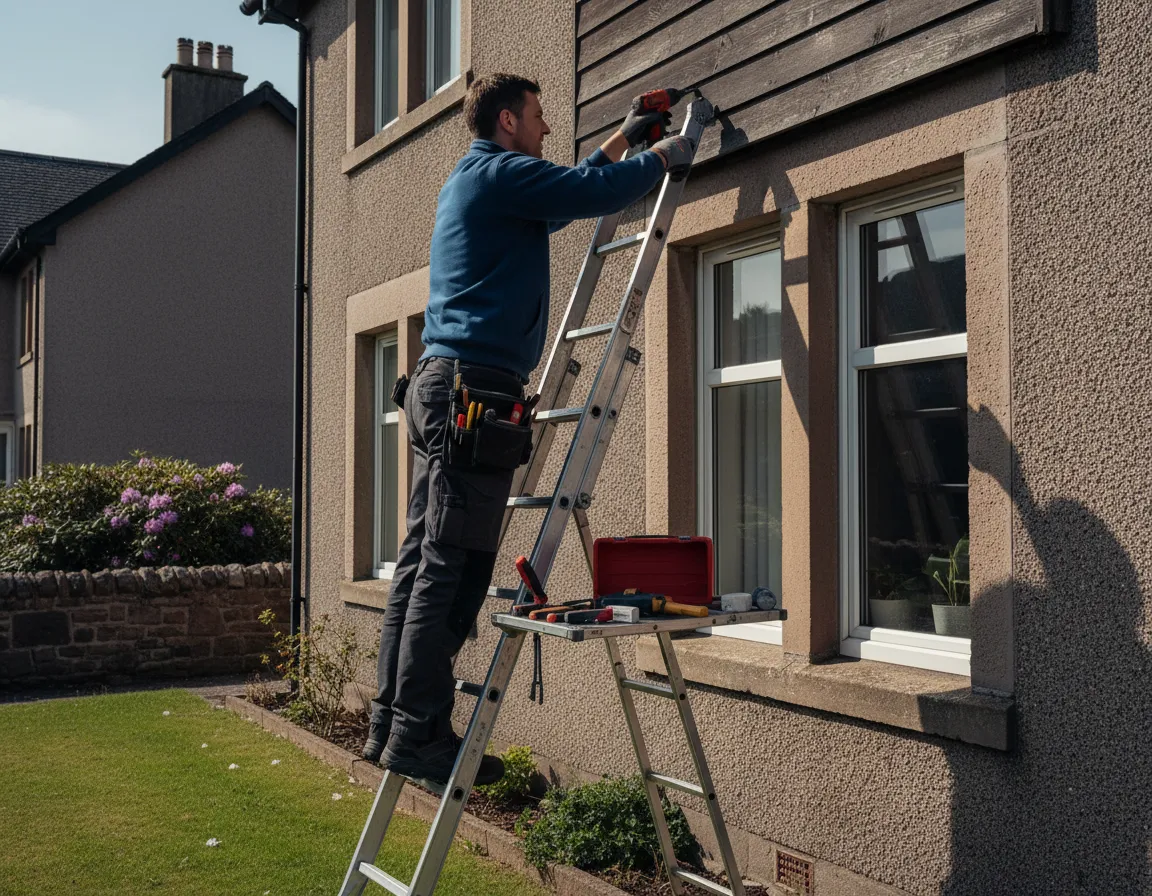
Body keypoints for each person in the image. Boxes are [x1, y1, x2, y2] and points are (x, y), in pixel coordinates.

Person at [363, 73, 694, 788]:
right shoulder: (500, 175)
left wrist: (626, 137)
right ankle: (418, 737)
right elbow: (578, 194)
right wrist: (665, 158)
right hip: (471, 393)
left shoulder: (482, 180)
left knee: (424, 561)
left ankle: (391, 721)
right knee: (451, 570)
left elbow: (567, 189)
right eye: (540, 118)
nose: (548, 129)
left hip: (445, 386)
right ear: (509, 120)